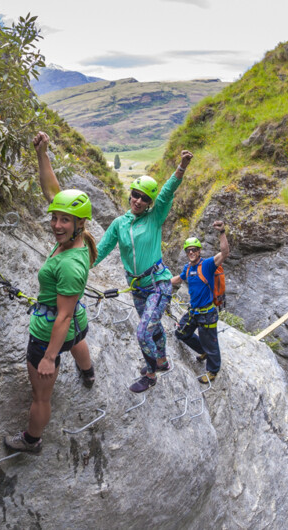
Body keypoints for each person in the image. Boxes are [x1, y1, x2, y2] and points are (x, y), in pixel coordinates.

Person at [4, 132, 97, 453]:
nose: (56, 224)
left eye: (63, 220)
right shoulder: (77, 237)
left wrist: (48, 357)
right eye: (54, 218)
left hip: (49, 332)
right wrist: (43, 153)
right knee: (78, 339)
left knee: (41, 395)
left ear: (79, 223)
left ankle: (31, 440)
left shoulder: (70, 263)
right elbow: (53, 191)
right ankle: (88, 373)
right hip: (75, 324)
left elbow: (64, 315)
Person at [93, 149, 193, 392]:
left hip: (159, 283)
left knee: (142, 331)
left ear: (150, 203)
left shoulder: (155, 217)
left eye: (144, 198)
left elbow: (168, 191)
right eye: (135, 195)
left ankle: (151, 374)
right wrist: (77, 265)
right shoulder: (119, 224)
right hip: (138, 288)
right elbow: (101, 250)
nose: (138, 201)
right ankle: (163, 361)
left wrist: (181, 167)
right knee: (154, 326)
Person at [170, 220, 229, 383]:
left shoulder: (208, 264)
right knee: (181, 333)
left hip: (207, 314)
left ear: (199, 250)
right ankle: (202, 350)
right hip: (194, 312)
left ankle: (213, 370)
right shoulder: (187, 268)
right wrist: (164, 282)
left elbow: (224, 253)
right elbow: (179, 279)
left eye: (194, 250)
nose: (191, 252)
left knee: (211, 343)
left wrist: (222, 232)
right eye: (188, 250)